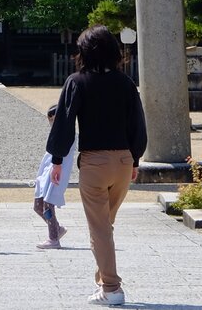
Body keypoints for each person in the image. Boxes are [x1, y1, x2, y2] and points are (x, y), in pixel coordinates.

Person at [46, 25, 146, 307]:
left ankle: (112, 288)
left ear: (84, 52)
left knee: (99, 228)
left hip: (94, 162)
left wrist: (57, 159)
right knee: (105, 224)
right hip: (124, 161)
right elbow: (137, 123)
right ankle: (103, 280)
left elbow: (64, 123)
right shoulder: (126, 83)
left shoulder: (76, 82)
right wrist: (135, 159)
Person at [32, 103, 71, 249]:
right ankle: (56, 228)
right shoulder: (55, 133)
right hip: (46, 173)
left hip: (57, 173)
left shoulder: (67, 133)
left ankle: (53, 238)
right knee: (38, 206)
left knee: (48, 205)